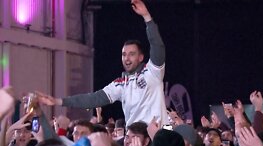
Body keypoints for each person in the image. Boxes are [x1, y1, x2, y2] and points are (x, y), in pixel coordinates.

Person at [36, 0, 168, 127]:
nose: (126, 58)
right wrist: (58, 101)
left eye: (131, 54)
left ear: (141, 57)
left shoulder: (152, 72)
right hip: (133, 139)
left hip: (156, 138)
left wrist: (147, 17)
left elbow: (157, 46)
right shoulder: (120, 84)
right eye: (124, 54)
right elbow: (93, 98)